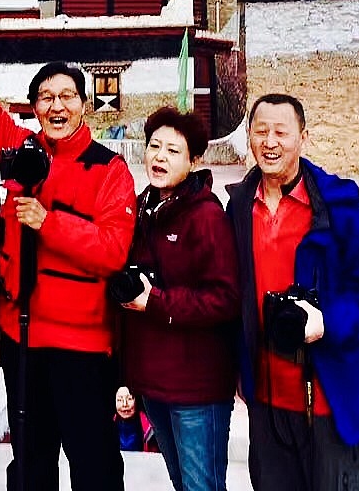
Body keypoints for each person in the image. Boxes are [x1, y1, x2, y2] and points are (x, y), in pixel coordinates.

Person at [0, 0, 136, 491]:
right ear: (34, 108)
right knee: (31, 465)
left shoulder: (110, 169)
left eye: (68, 96)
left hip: (83, 345)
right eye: (46, 98)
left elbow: (112, 250)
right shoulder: (18, 151)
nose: (57, 106)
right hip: (22, 337)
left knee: (94, 466)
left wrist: (48, 222)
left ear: (84, 104)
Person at [226, 93, 359, 491]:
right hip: (266, 398)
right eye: (261, 132)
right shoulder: (239, 206)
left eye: (282, 132)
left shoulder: (337, 207)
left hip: (330, 397)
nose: (270, 142)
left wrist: (327, 322)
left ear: (303, 137)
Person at [118, 106, 239, 491]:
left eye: (173, 151)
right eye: (154, 146)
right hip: (154, 382)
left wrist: (155, 302)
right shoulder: (142, 208)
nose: (160, 157)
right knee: (182, 483)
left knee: (201, 486)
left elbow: (224, 298)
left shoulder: (206, 217)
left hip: (197, 387)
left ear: (194, 160)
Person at [113, 386, 157, 453]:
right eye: (119, 400)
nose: (125, 404)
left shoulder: (151, 427)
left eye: (129, 399)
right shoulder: (107, 426)